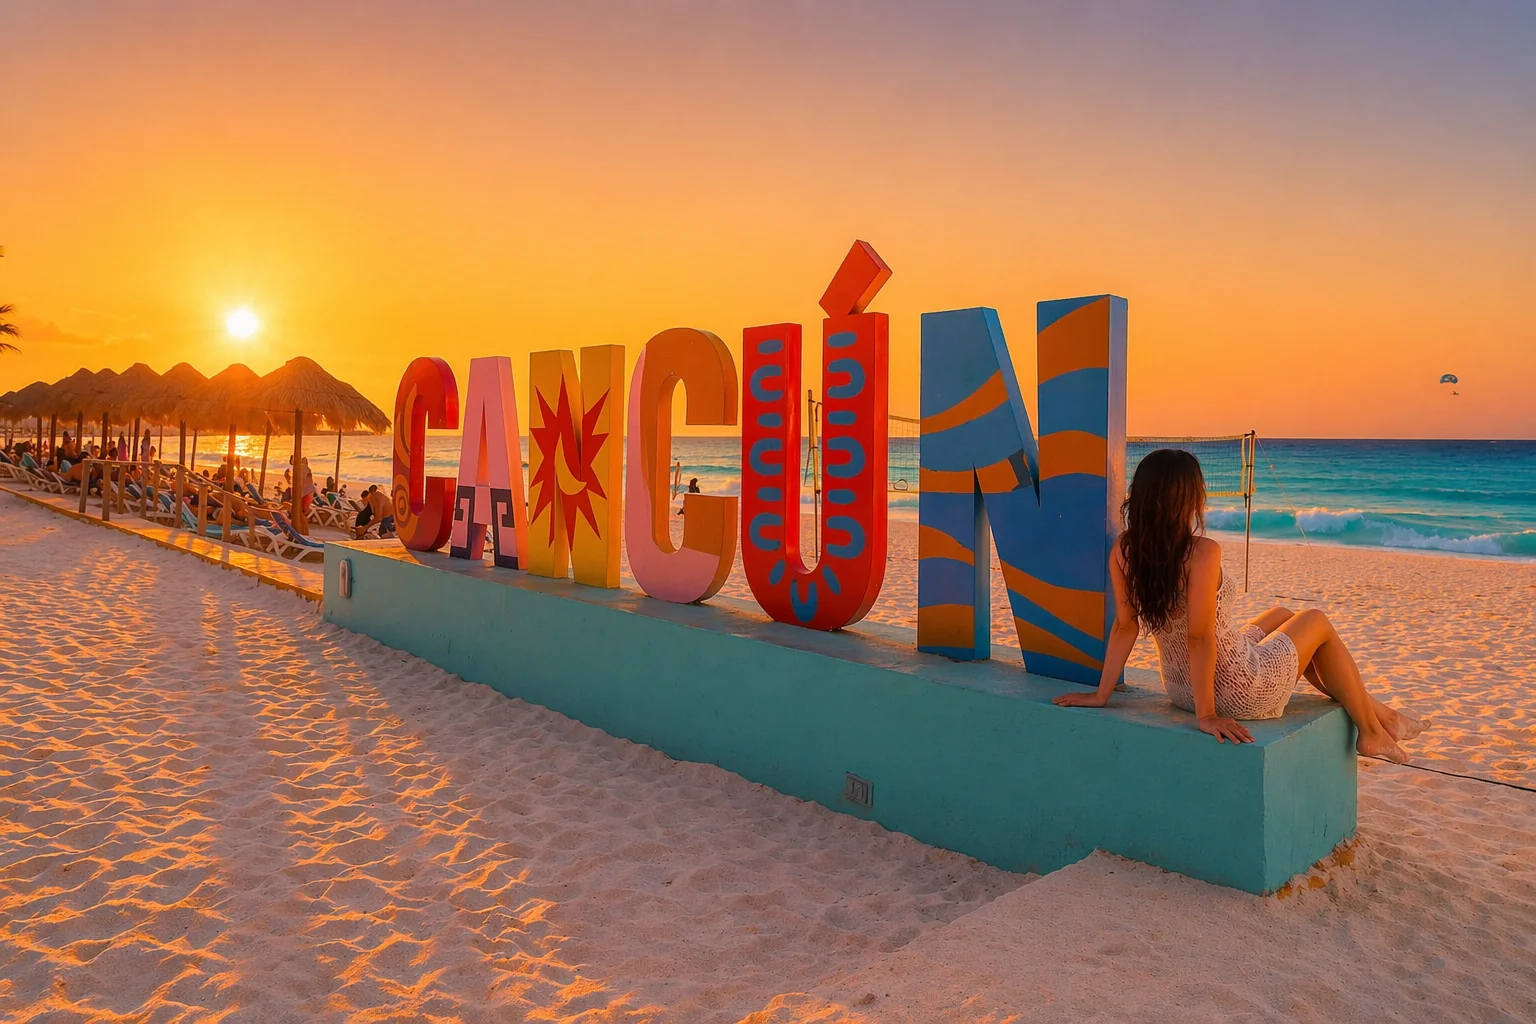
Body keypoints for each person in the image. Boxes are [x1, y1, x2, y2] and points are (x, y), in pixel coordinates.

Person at [1052, 449, 1426, 764]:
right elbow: (1199, 637)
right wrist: (1208, 715)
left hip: (1180, 687)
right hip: (1239, 688)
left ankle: (1385, 715)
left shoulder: (1126, 548)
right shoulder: (1200, 552)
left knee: (1283, 616)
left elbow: (1124, 626)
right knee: (1316, 621)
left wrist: (1101, 695)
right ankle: (1372, 731)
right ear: (1188, 498)